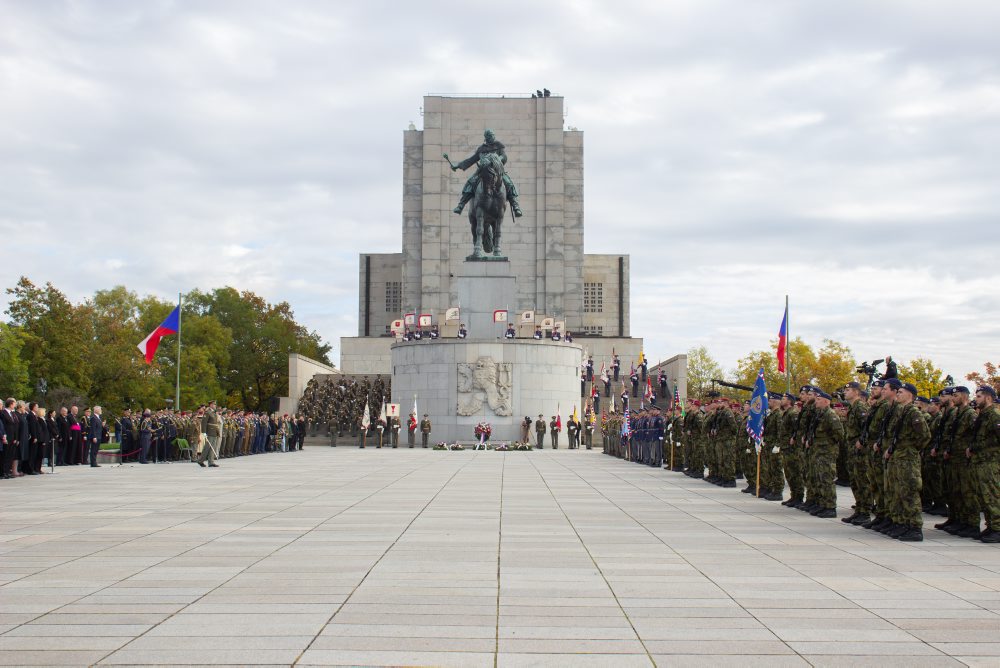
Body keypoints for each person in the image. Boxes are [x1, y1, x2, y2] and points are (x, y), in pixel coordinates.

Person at [450, 128, 524, 217]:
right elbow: (471, 160)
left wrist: (497, 159)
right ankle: (461, 205)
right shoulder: (481, 149)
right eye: (490, 135)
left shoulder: (498, 146)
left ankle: (515, 206)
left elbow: (504, 156)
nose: (493, 137)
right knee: (470, 182)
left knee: (509, 183)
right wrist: (458, 165)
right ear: (486, 137)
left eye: (493, 135)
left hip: (497, 171)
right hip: (482, 172)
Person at [970, 386, 1000, 542]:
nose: (976, 399)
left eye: (979, 396)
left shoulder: (994, 416)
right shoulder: (983, 415)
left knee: (992, 495)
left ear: (988, 398)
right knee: (984, 496)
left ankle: (998, 528)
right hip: (981, 461)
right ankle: (991, 526)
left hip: (990, 462)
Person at [198, 401, 220, 467]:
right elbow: (203, 422)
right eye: (214, 404)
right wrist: (204, 432)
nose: (215, 405)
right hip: (209, 432)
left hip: (214, 432)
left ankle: (211, 462)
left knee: (212, 447)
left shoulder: (213, 412)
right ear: (210, 405)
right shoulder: (207, 412)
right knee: (207, 447)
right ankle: (200, 460)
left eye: (215, 404)